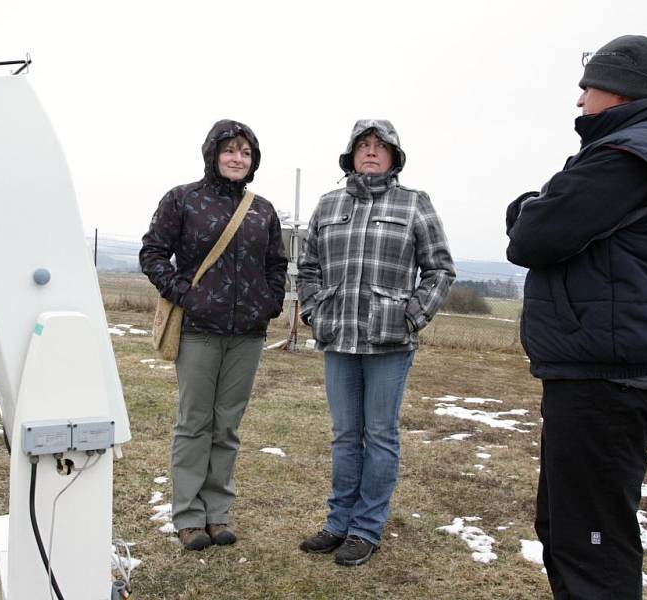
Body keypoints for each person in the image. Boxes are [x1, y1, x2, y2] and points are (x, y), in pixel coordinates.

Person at [506, 35, 647, 599]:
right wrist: (543, 207)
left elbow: (534, 235)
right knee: (573, 529)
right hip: (611, 367)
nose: (579, 97)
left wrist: (528, 208)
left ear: (616, 87)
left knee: (590, 543)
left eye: (587, 85)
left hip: (607, 378)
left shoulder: (628, 156)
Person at [297, 119, 455, 566]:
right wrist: (313, 311)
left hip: (389, 342)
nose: (371, 152)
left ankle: (366, 528)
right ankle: (338, 523)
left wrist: (412, 315)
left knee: (379, 436)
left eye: (379, 146)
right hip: (339, 338)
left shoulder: (414, 204)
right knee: (346, 436)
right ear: (350, 153)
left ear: (393, 157)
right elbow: (308, 267)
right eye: (363, 145)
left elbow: (440, 269)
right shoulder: (329, 205)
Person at [140, 119, 288, 551]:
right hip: (199, 332)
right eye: (230, 150)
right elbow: (152, 253)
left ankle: (218, 514)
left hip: (248, 336)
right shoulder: (183, 199)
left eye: (246, 152)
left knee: (227, 427)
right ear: (213, 153)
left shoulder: (262, 210)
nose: (237, 158)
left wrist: (270, 302)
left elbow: (276, 264)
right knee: (194, 424)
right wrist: (184, 294)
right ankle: (188, 517)